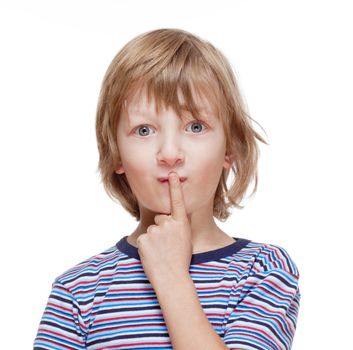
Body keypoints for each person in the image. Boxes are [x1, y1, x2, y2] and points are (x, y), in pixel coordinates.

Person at [34, 28, 300, 350]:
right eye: (144, 130)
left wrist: (172, 277)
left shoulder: (263, 271)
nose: (170, 153)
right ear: (116, 153)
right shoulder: (77, 290)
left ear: (229, 148)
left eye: (195, 127)